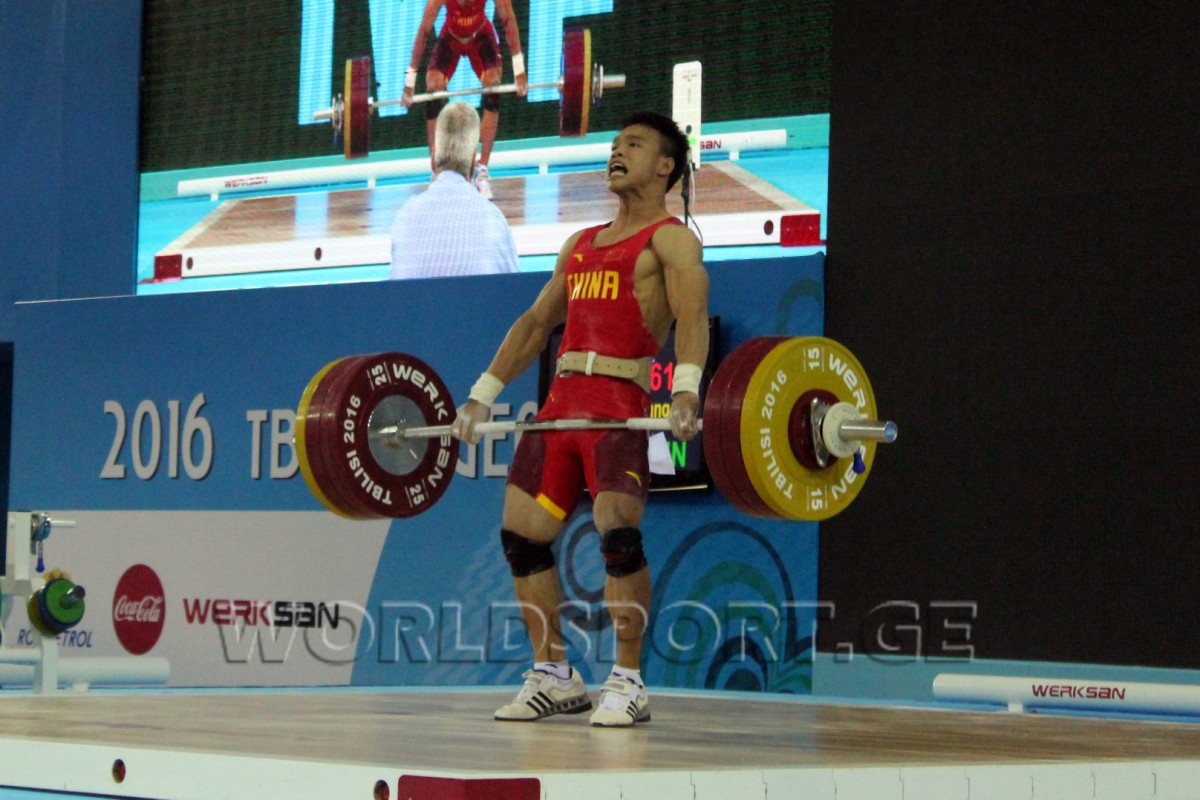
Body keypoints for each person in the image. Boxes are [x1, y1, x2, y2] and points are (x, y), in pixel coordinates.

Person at [452, 112, 708, 727]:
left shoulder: (671, 240)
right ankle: (554, 674)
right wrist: (482, 394)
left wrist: (687, 391)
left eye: (633, 145)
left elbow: (692, 317)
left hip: (617, 408)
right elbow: (536, 324)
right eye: (615, 144)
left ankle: (628, 680)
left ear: (666, 166)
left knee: (617, 533)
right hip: (560, 408)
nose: (616, 153)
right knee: (522, 537)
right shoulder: (581, 244)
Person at [401, 0, 528, 199]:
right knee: (433, 85)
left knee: (493, 82)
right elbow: (424, 31)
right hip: (451, 38)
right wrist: (409, 83)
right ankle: (437, 172)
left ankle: (482, 171)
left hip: (481, 37)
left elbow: (508, 20)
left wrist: (519, 71)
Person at [388, 102, 520, 279]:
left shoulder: (405, 216)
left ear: (433, 159)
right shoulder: (493, 219)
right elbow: (514, 287)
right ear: (473, 163)